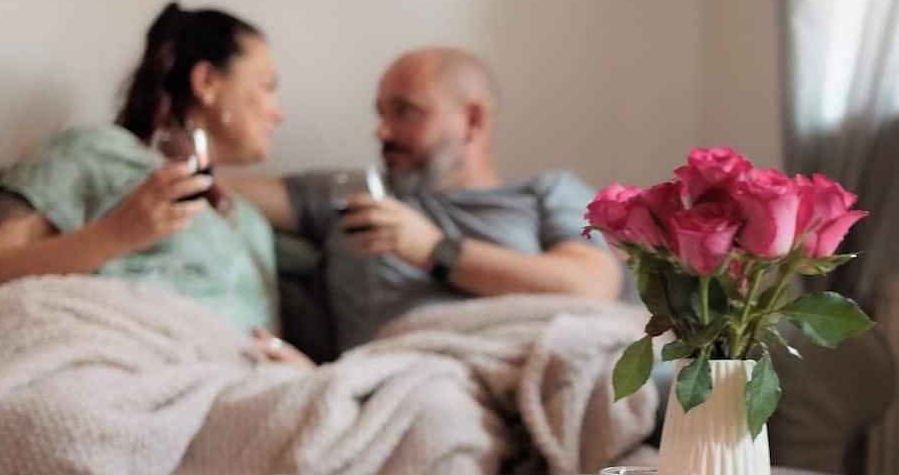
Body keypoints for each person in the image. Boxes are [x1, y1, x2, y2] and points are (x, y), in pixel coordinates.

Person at [226, 47, 623, 360]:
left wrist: (433, 249)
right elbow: (217, 185)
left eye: (405, 112)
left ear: (473, 119)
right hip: (403, 380)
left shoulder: (545, 193)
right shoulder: (350, 193)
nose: (382, 132)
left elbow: (590, 286)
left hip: (522, 361)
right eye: (381, 114)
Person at [0, 1, 310, 367]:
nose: (279, 113)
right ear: (207, 82)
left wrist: (302, 371)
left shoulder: (253, 225)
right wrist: (116, 234)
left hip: (234, 383)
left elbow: (270, 345)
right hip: (116, 361)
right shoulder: (91, 150)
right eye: (268, 87)